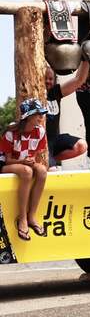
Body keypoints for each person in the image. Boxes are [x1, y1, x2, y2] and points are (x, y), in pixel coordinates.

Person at [0, 99, 50, 241]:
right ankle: (22, 218)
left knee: (41, 170)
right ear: (28, 116)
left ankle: (31, 216)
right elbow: (7, 159)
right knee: (26, 172)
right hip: (6, 164)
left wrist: (30, 161)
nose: (41, 117)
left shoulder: (40, 131)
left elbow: (33, 155)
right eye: (38, 114)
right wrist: (24, 162)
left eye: (41, 113)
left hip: (24, 163)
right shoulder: (11, 132)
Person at [44, 62, 89, 168]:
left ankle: (52, 158)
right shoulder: (32, 94)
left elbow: (79, 80)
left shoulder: (55, 93)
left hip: (54, 140)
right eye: (45, 78)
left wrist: (86, 60)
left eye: (50, 79)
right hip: (39, 142)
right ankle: (50, 160)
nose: (47, 81)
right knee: (52, 171)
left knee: (81, 146)